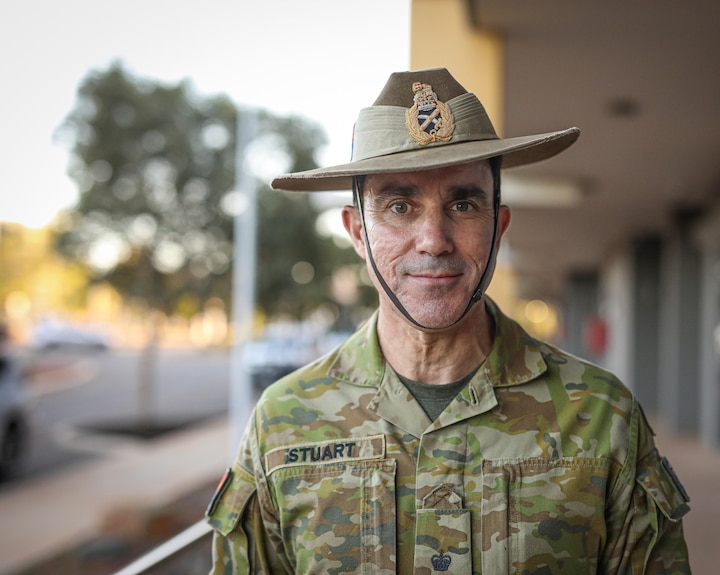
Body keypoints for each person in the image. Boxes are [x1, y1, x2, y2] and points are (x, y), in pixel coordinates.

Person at [206, 67, 691, 575]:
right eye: (399, 205)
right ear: (356, 232)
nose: (434, 240)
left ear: (497, 226)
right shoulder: (282, 424)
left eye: (463, 204)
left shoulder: (602, 417)